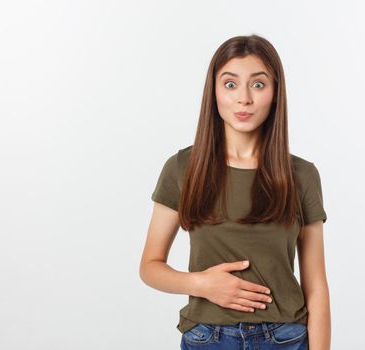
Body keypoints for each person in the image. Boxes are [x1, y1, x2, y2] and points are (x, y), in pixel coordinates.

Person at [140, 34, 331, 350]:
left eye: (258, 84)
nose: (244, 98)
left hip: (285, 339)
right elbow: (150, 265)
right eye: (230, 84)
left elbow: (317, 287)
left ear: (275, 93)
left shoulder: (302, 175)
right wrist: (203, 284)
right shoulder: (183, 168)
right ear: (214, 92)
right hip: (208, 339)